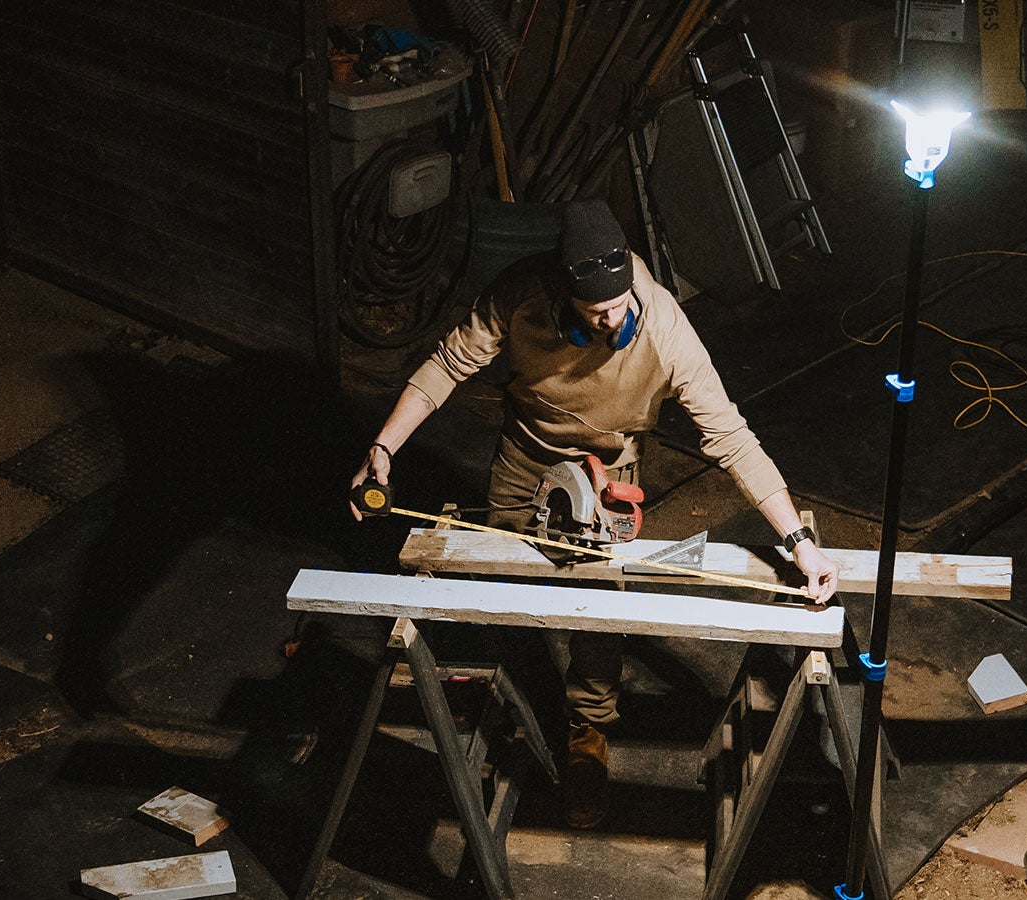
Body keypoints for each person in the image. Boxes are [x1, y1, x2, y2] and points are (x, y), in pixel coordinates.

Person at [350, 199, 840, 828]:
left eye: (619, 305)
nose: (613, 320)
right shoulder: (520, 294)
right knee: (496, 589)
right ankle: (505, 703)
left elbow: (732, 438)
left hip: (608, 473)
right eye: (596, 311)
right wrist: (383, 446)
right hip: (525, 458)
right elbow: (447, 366)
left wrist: (798, 540)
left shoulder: (663, 328)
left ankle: (588, 731)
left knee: (599, 609)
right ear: (563, 295)